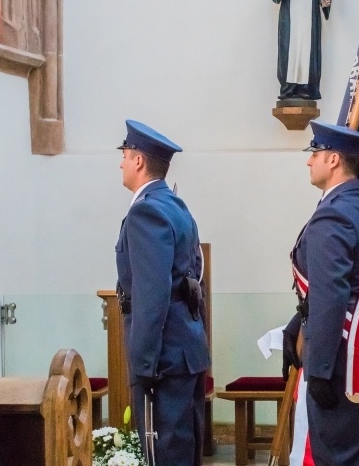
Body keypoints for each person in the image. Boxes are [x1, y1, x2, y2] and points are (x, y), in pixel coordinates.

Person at [283, 121, 359, 465]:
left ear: (333, 160)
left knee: (338, 457)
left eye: (315, 153)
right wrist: (296, 325)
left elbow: (332, 296)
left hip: (343, 358)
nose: (309, 161)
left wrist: (319, 370)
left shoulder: (334, 214)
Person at [115, 120, 210, 466]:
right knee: (183, 450)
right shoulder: (175, 205)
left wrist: (143, 364)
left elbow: (151, 296)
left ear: (138, 160)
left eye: (125, 156)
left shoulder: (146, 211)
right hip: (185, 348)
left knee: (164, 454)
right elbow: (193, 276)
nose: (121, 164)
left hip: (162, 360)